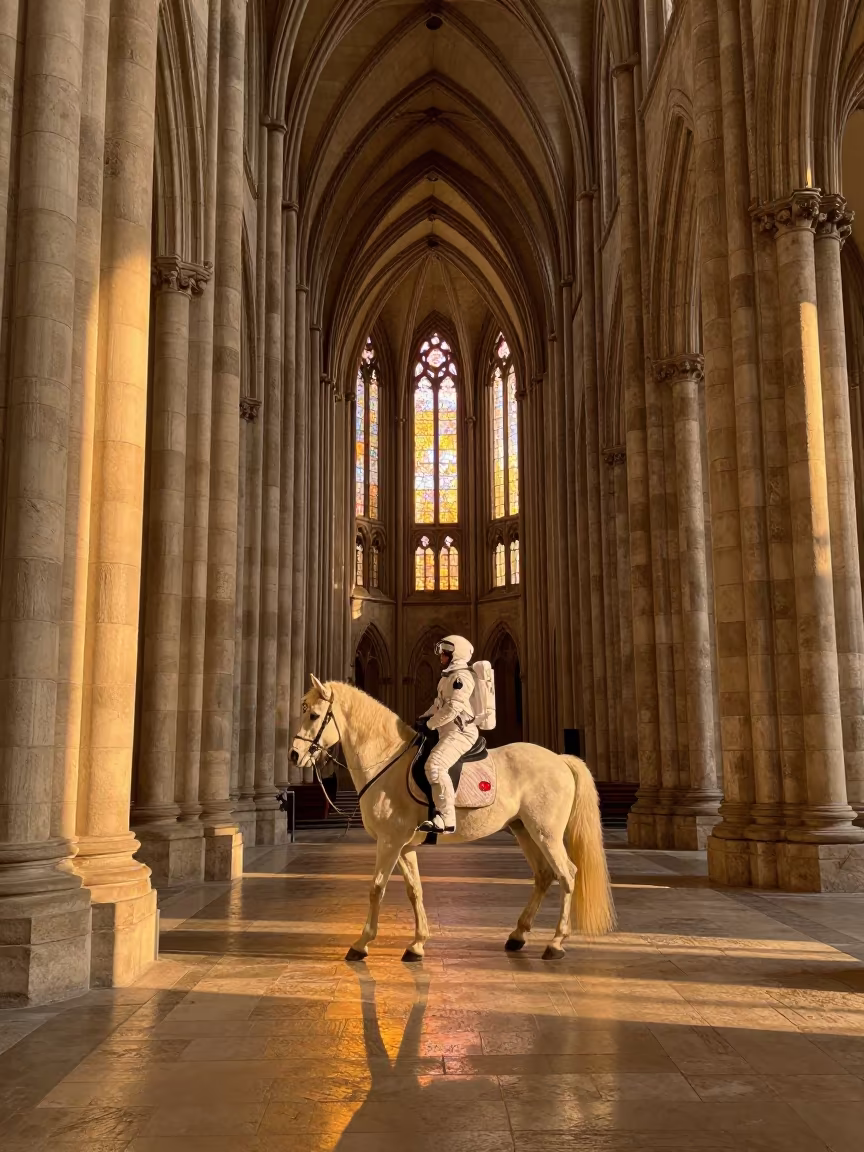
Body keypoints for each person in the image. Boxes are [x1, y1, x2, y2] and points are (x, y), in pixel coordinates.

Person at [415, 635, 478, 834]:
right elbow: (438, 705)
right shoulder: (448, 677)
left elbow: (454, 708)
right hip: (446, 731)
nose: (441, 655)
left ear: (455, 654)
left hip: (461, 733)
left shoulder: (461, 677)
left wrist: (431, 725)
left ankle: (446, 819)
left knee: (435, 765)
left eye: (445, 652)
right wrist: (423, 719)